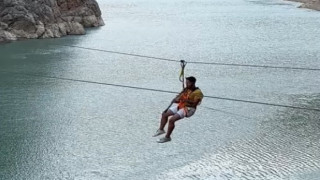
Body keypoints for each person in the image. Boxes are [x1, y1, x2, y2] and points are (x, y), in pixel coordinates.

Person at [153, 76, 204, 143]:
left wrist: (184, 100)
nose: (186, 84)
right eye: (186, 83)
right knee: (164, 114)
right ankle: (161, 130)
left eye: (188, 83)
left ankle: (167, 137)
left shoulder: (198, 93)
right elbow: (180, 99)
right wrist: (176, 100)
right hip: (181, 106)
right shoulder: (187, 90)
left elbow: (194, 104)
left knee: (171, 120)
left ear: (193, 83)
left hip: (189, 109)